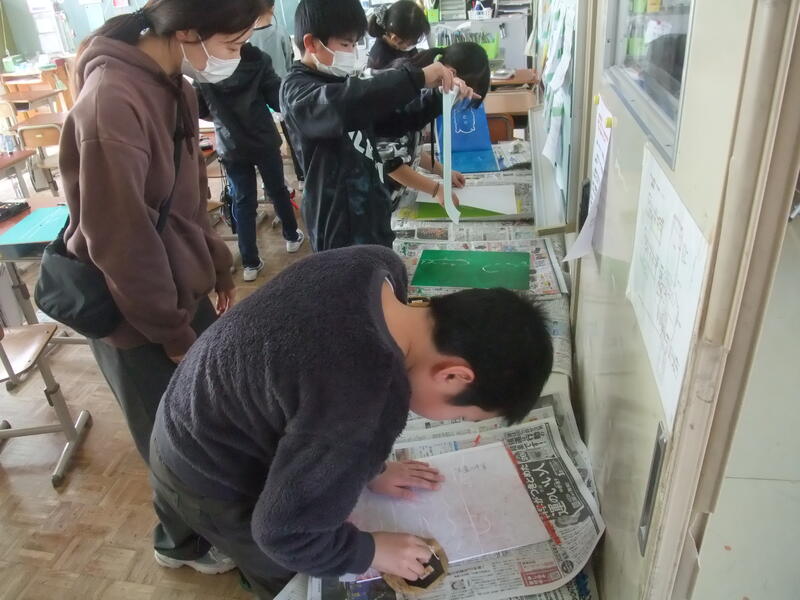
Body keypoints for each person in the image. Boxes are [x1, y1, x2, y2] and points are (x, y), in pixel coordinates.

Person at [149, 245, 554, 598]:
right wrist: (370, 550)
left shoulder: (376, 265)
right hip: (208, 472)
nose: (458, 419)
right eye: (463, 414)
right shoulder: (366, 402)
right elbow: (284, 535)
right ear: (453, 376)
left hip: (184, 403)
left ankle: (181, 546)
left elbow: (321, 379)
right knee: (284, 572)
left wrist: (369, 467)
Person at [59, 0, 263, 574]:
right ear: (189, 30)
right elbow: (120, 241)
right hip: (133, 311)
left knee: (203, 421)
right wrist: (172, 330)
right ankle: (178, 542)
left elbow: (190, 199)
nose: (237, 57)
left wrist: (216, 267)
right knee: (166, 434)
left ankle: (203, 523)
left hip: (176, 291)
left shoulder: (176, 84)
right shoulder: (111, 100)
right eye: (233, 44)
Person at [280, 0, 478, 252]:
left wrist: (441, 96)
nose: (352, 53)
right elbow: (342, 105)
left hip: (372, 213)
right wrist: (417, 78)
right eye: (345, 44)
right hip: (337, 226)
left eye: (354, 44)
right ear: (311, 43)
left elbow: (395, 120)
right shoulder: (297, 91)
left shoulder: (342, 80)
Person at [195, 6, 305, 283]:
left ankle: (250, 263)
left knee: (242, 201)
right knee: (277, 189)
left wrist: (222, 118)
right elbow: (276, 100)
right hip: (263, 138)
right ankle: (292, 236)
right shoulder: (257, 60)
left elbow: (199, 108)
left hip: (230, 144)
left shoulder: (204, 66)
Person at [375, 43, 491, 210]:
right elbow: (391, 163)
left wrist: (443, 172)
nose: (456, 103)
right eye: (460, 96)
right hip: (375, 201)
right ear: (452, 74)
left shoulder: (426, 95)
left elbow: (408, 150)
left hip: (391, 198)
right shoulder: (408, 93)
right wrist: (436, 189)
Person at [367, 0, 430, 69]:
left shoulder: (404, 40)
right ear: (395, 38)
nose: (414, 44)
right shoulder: (379, 60)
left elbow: (415, 61)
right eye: (412, 42)